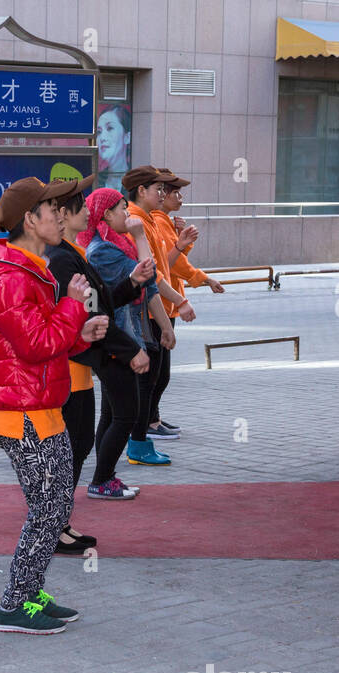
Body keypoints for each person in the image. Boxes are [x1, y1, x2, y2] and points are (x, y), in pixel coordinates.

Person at [0, 176, 109, 635]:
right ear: (30, 219)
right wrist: (72, 310)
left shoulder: (30, 270)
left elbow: (46, 343)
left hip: (41, 410)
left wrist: (78, 332)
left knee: (51, 508)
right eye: (53, 209)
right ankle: (13, 603)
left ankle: (28, 592)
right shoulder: (11, 280)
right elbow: (34, 345)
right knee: (48, 510)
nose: (62, 216)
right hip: (24, 415)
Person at [47, 178, 158, 549]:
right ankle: (54, 526)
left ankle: (59, 523)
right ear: (61, 214)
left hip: (80, 364)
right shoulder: (61, 257)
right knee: (72, 448)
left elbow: (101, 303)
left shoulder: (69, 252)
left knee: (76, 446)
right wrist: (131, 350)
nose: (87, 212)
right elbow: (90, 318)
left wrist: (131, 282)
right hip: (74, 363)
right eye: (81, 207)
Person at [80, 187, 164, 501]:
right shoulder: (101, 250)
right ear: (105, 214)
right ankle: (102, 479)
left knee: (111, 413)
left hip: (118, 334)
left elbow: (140, 282)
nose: (126, 215)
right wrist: (141, 236)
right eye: (121, 209)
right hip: (117, 336)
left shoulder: (109, 244)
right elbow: (147, 278)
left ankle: (104, 477)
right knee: (125, 415)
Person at [122, 165, 197, 466]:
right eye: (160, 189)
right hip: (146, 311)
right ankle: (138, 439)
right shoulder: (136, 223)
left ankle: (140, 438)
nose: (165, 194)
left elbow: (161, 269)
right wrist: (181, 299)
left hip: (157, 308)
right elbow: (151, 275)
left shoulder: (148, 221)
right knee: (145, 381)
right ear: (142, 191)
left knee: (155, 377)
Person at [143, 168, 226, 438]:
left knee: (159, 372)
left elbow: (168, 266)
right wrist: (200, 277)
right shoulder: (151, 221)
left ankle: (152, 418)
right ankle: (147, 423)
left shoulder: (160, 221)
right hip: (160, 305)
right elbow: (168, 266)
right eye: (168, 191)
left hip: (166, 303)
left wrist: (182, 246)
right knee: (155, 373)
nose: (177, 197)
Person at [96, 105, 131, 191]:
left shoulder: (137, 181)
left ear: (127, 137)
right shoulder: (96, 180)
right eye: (99, 132)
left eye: (110, 128)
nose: (102, 138)